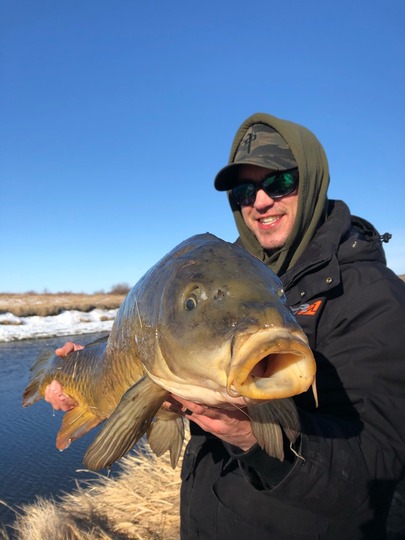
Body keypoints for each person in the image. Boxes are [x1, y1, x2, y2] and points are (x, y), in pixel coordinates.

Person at [46, 113, 405, 539]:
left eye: (280, 182)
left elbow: (378, 477)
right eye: (244, 191)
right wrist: (83, 371)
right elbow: (143, 372)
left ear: (312, 181)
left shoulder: (374, 297)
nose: (261, 201)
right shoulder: (227, 267)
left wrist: (249, 434)